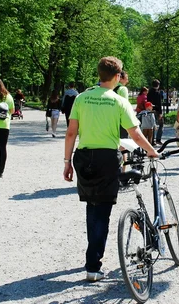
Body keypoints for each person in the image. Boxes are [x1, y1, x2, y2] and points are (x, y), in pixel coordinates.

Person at [63, 56, 157, 282]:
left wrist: (67, 162)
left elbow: (70, 133)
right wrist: (152, 150)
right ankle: (93, 265)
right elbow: (135, 133)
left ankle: (91, 257)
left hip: (84, 157)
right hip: (107, 157)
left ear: (99, 74)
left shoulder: (82, 98)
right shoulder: (118, 101)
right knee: (102, 211)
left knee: (91, 207)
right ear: (117, 76)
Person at [147, 79, 164, 145]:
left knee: (152, 125)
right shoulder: (158, 93)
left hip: (150, 110)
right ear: (158, 85)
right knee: (161, 124)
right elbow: (159, 104)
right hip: (157, 110)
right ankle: (158, 139)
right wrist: (160, 113)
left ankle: (152, 140)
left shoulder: (149, 92)